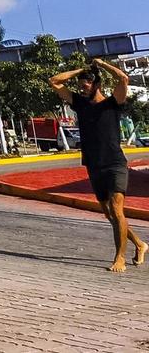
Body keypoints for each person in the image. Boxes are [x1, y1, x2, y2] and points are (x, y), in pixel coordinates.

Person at [49, 58, 145, 272]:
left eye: (86, 85)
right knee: (109, 214)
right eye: (80, 86)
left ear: (96, 85)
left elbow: (123, 78)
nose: (82, 89)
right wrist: (81, 70)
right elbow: (54, 81)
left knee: (117, 210)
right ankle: (139, 244)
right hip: (93, 165)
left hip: (114, 164)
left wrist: (102, 65)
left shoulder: (113, 103)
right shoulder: (80, 104)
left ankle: (119, 257)